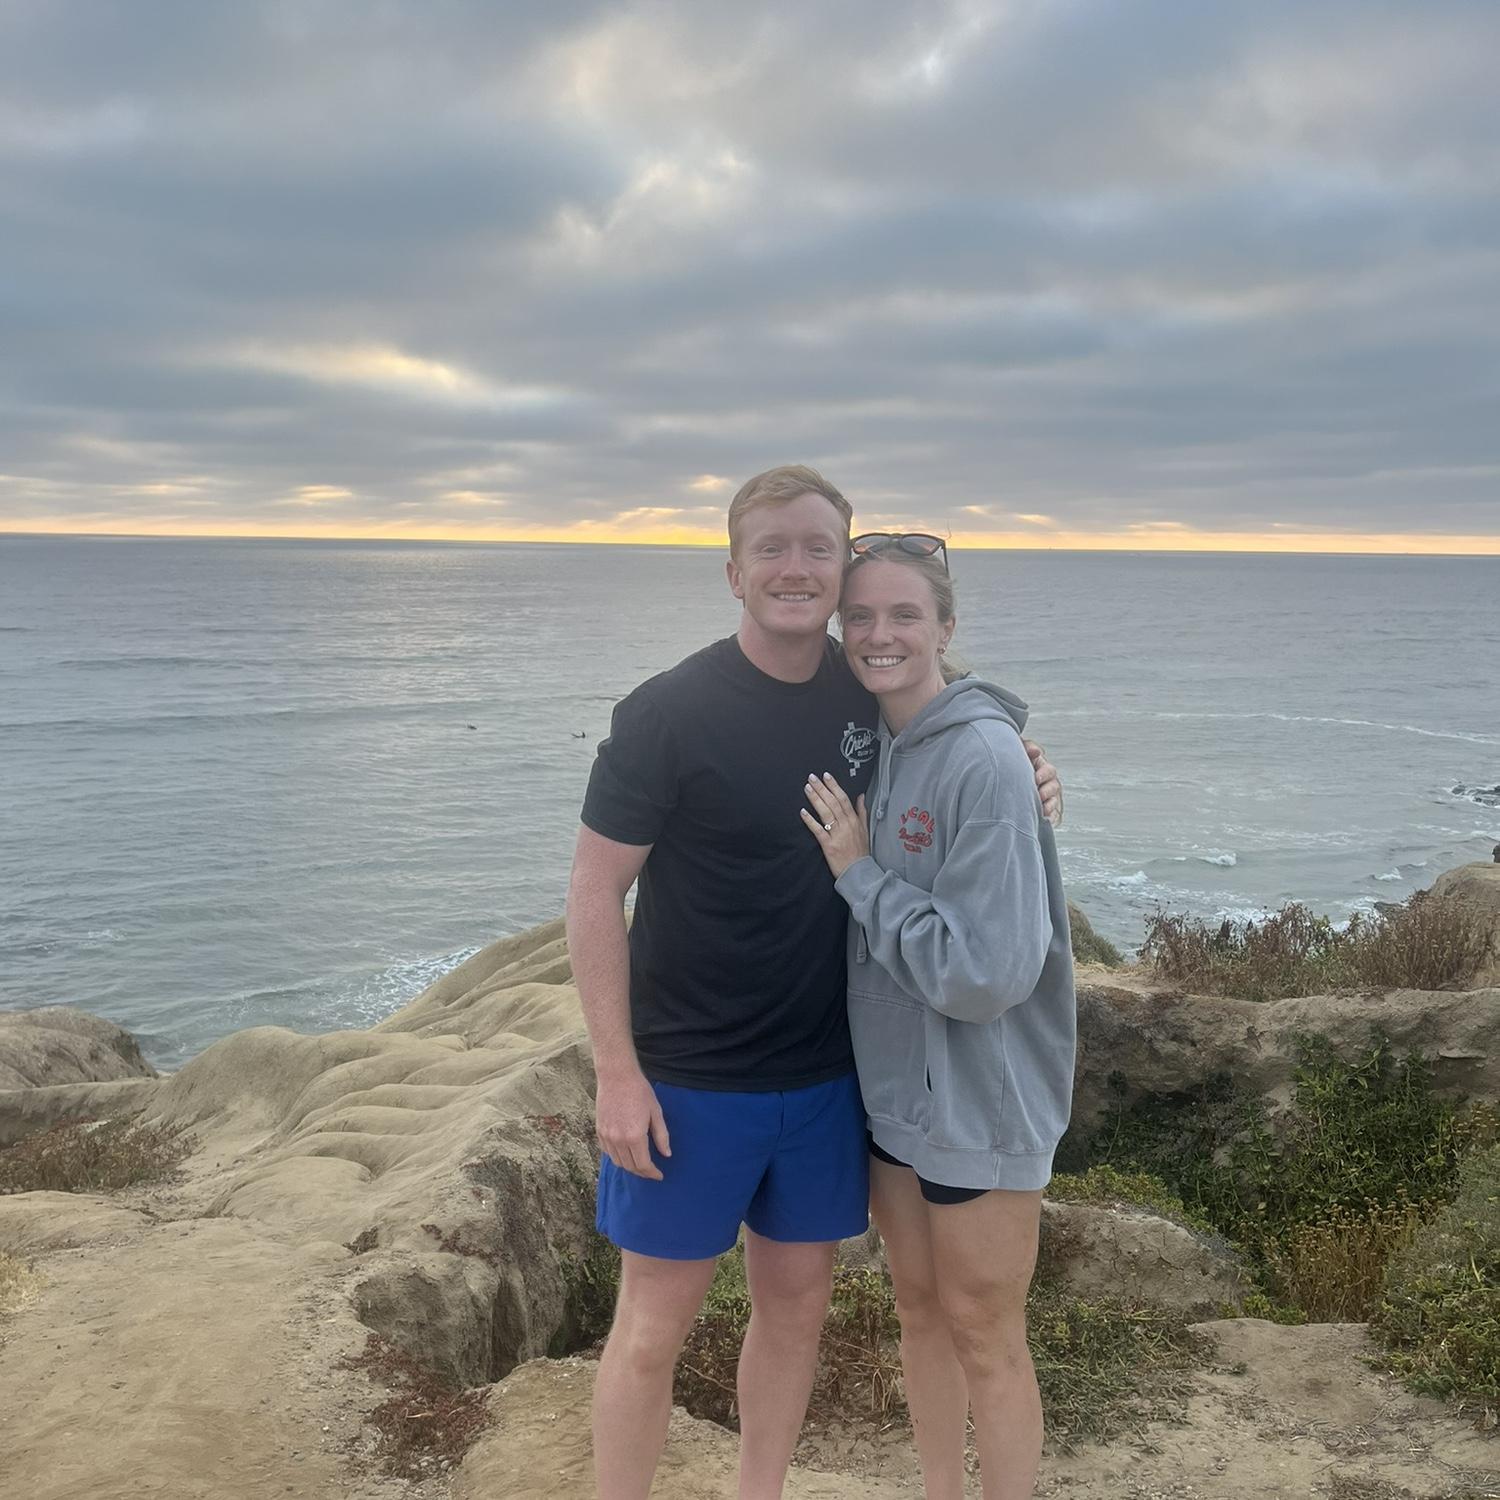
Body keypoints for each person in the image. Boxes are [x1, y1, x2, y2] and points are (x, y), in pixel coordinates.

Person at [566, 467, 1062, 1500]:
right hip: (691, 1079)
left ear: (840, 570)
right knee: (652, 1330)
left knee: (794, 1314)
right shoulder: (664, 713)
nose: (796, 567)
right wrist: (617, 1072)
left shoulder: (863, 694)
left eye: (816, 548)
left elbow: (952, 745)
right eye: (772, 548)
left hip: (832, 1080)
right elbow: (593, 890)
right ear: (733, 571)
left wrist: (1025, 769)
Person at [802, 533, 1076, 1500]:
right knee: (920, 1314)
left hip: (983, 1099)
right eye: (860, 618)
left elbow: (987, 974)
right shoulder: (869, 741)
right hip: (895, 1099)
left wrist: (860, 877)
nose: (880, 636)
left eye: (904, 615)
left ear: (946, 628)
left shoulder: (986, 762)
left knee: (988, 1338)